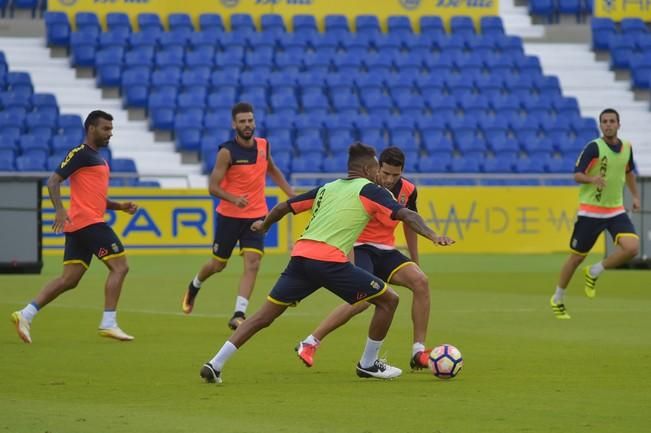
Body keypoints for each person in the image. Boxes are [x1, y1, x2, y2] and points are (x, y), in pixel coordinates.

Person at [198, 142, 454, 384]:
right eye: (377, 169)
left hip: (300, 258)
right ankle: (368, 363)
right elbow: (406, 213)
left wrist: (264, 225)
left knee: (263, 316)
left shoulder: (327, 188)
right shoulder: (370, 190)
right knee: (389, 300)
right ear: (367, 169)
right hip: (330, 262)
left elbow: (283, 207)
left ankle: (215, 363)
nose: (380, 175)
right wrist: (433, 235)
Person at [295, 146, 438, 370]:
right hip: (359, 247)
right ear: (376, 168)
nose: (390, 179)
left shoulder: (408, 190)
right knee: (361, 300)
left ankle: (418, 351)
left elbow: (409, 223)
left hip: (386, 251)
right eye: (386, 173)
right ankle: (310, 341)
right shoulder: (363, 188)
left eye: (395, 175)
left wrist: (415, 259)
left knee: (421, 281)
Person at [11, 110, 137, 343]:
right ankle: (108, 323)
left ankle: (25, 314)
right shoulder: (80, 153)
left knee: (69, 279)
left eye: (111, 128)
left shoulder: (99, 159)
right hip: (88, 223)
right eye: (105, 128)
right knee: (120, 266)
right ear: (91, 128)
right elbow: (53, 181)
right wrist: (59, 209)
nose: (110, 133)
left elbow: (96, 198)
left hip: (81, 226)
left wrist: (120, 206)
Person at [181, 102, 294, 329]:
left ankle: (238, 313)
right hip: (229, 217)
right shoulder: (227, 152)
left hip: (257, 216)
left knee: (253, 262)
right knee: (217, 265)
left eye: (250, 120)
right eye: (242, 121)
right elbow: (212, 187)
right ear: (234, 124)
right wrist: (233, 198)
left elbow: (271, 168)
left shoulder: (264, 145)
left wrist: (290, 194)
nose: (247, 125)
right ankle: (195, 285)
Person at [550, 108, 640, 319]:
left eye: (612, 121)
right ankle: (557, 298)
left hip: (615, 209)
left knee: (632, 247)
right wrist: (592, 179)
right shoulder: (594, 148)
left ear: (619, 124)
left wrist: (635, 196)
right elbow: (577, 175)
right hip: (591, 212)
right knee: (575, 259)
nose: (608, 124)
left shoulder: (627, 147)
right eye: (604, 121)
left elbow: (629, 173)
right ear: (601, 126)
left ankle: (595, 271)